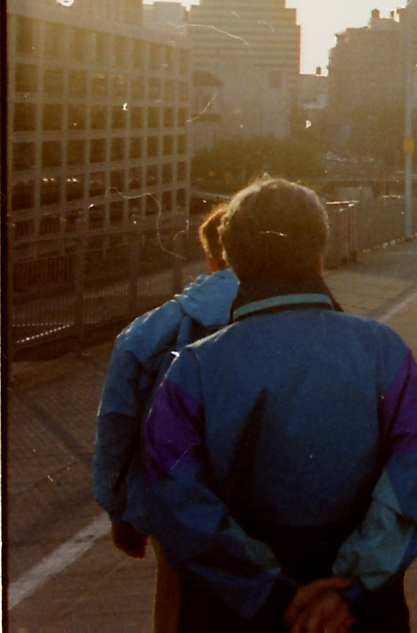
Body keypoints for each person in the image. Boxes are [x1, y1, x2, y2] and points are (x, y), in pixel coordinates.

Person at [144, 177, 417, 631]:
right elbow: (409, 477)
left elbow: (178, 500)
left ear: (232, 263)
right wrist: (350, 587)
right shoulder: (385, 351)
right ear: (319, 253)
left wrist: (271, 592)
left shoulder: (192, 370)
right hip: (358, 606)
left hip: (236, 607)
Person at [94, 204, 240, 633]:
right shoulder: (286, 322)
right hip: (260, 491)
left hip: (170, 491)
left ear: (210, 256)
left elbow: (117, 424)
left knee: (174, 589)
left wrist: (118, 510)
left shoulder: (148, 331)